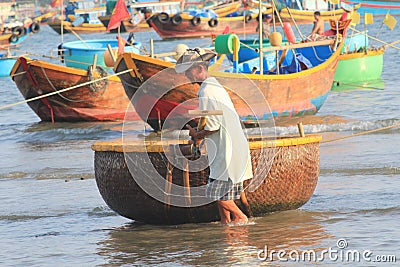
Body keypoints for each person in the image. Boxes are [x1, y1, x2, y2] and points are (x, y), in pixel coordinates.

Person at [175, 48, 253, 225]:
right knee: (225, 197)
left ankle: (241, 217)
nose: (187, 76)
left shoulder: (206, 91)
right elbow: (214, 116)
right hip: (233, 147)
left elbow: (212, 126)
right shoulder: (214, 85)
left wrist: (196, 134)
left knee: (215, 194)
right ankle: (228, 227)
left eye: (189, 71)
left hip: (227, 150)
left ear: (200, 69)